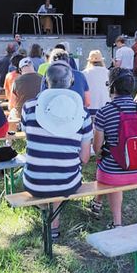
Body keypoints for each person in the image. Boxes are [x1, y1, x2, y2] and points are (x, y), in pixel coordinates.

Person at [21, 63, 93, 239]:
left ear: (46, 81)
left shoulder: (29, 107)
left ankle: (47, 213)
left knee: (46, 170)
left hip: (33, 181)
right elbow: (84, 158)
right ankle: (53, 224)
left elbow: (27, 135)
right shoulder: (83, 114)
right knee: (61, 176)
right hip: (67, 182)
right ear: (72, 82)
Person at [90, 68, 137, 228]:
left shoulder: (104, 112)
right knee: (109, 163)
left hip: (113, 174)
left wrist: (103, 153)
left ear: (111, 87)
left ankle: (117, 222)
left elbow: (97, 148)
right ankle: (97, 202)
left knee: (106, 163)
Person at [82, 50, 110, 117]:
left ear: (89, 61)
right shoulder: (108, 73)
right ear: (101, 61)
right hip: (105, 108)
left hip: (88, 109)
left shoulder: (84, 73)